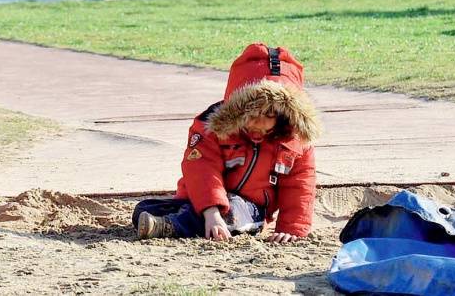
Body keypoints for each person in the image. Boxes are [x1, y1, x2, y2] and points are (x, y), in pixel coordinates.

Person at [134, 43, 320, 243]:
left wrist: (291, 228)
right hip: (202, 199)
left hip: (249, 209)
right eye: (252, 113)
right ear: (237, 109)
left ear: (284, 115)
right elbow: (202, 169)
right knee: (144, 208)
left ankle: (170, 226)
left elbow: (300, 185)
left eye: (269, 114)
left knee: (235, 213)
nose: (260, 122)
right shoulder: (211, 126)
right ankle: (181, 220)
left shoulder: (294, 140)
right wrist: (211, 212)